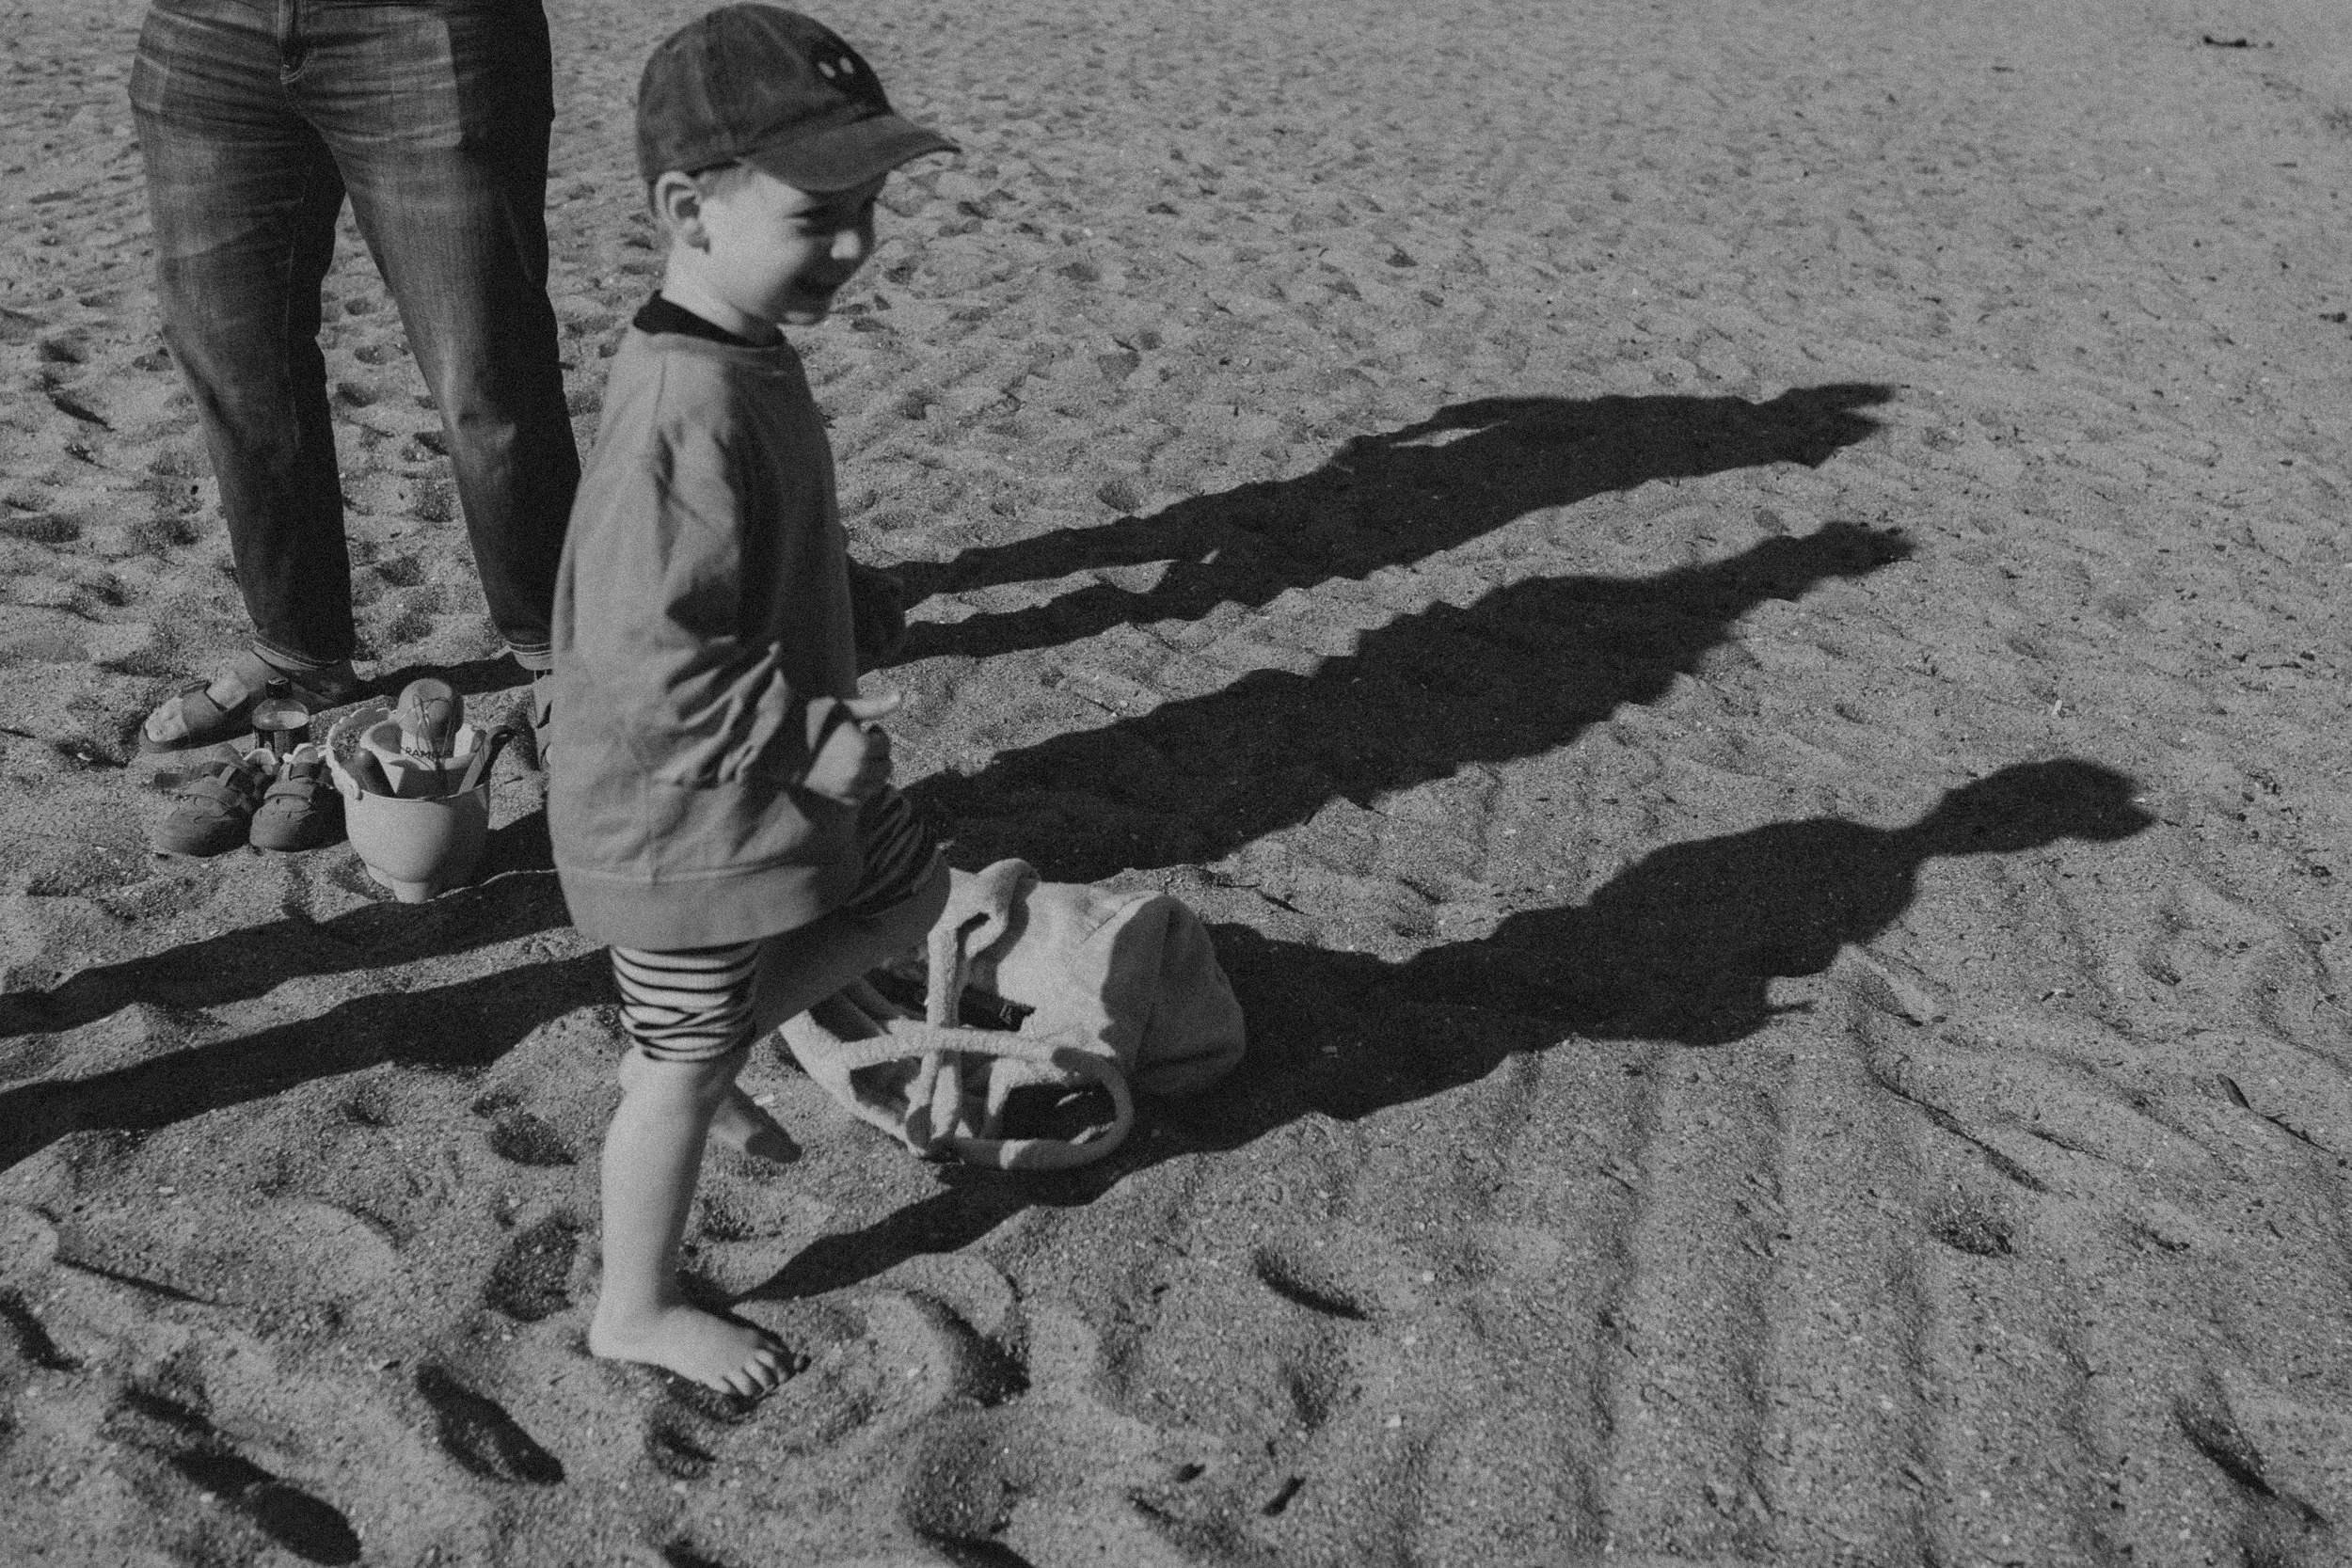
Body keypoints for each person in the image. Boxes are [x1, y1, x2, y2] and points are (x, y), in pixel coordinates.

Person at [548, 5, 956, 1396]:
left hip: (760, 783)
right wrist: (800, 734)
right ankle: (635, 1302)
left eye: (872, 205)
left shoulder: (743, 347)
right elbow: (642, 654)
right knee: (678, 1069)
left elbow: (742, 550)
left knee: (907, 892)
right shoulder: (682, 406)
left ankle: (692, 1053)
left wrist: (843, 586)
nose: (854, 241)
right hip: (679, 816)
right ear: (689, 208)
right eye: (820, 209)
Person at [128, 0, 580, 753]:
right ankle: (297, 652)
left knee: (486, 374)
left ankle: (567, 656)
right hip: (209, 28)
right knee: (234, 360)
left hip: (428, 27)